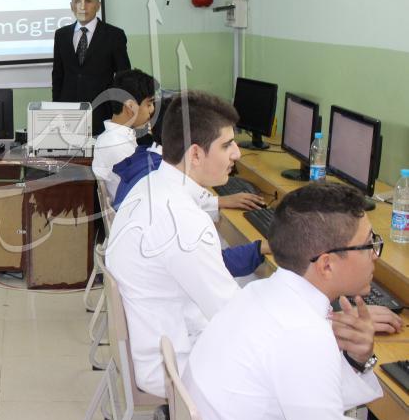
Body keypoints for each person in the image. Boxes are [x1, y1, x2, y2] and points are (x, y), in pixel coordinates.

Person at [105, 92, 400, 398]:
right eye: (226, 145)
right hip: (176, 365)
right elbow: (238, 319)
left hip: (162, 340)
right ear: (195, 154)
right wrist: (333, 322)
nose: (237, 154)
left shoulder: (151, 184)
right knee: (305, 364)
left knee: (263, 291)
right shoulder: (184, 222)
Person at [183, 183, 388, 420]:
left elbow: (306, 393)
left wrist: (356, 361)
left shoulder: (258, 292)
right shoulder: (303, 334)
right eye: (368, 244)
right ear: (327, 265)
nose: (375, 255)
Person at [93, 75, 266, 277]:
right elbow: (213, 270)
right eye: (226, 145)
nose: (151, 111)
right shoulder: (169, 204)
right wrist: (259, 249)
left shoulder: (139, 158)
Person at [51, 0, 131, 136]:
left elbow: (124, 76)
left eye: (88, 1)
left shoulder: (114, 35)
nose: (82, 6)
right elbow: (58, 75)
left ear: (98, 5)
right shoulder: (61, 35)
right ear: (71, 6)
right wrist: (56, 108)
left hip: (102, 112)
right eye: (78, 1)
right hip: (68, 114)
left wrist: (118, 110)